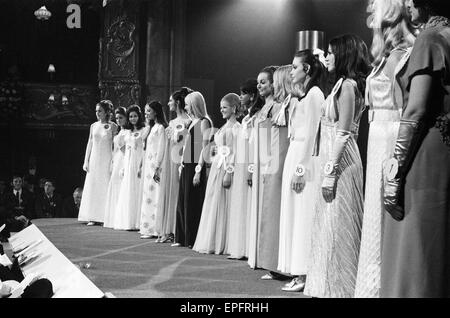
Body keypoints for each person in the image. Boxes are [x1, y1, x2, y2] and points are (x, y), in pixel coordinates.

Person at [381, 0, 450, 298]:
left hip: (424, 148)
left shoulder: (430, 38)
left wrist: (395, 170)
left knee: (414, 237)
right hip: (443, 149)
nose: (406, 5)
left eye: (409, 0)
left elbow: (416, 109)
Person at [355, 0, 416, 298]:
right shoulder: (383, 58)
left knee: (387, 202)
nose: (380, 29)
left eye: (386, 23)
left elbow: (409, 106)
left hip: (392, 131)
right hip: (376, 134)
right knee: (374, 207)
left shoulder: (407, 55)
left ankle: (386, 286)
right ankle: (371, 286)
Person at [304, 34, 370, 298]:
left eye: (331, 53)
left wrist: (331, 174)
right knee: (329, 224)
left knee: (340, 225)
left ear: (343, 55)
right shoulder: (340, 84)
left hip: (342, 162)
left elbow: (344, 133)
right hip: (332, 159)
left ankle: (341, 287)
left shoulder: (349, 87)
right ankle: (328, 283)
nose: (326, 57)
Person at [277, 50, 326, 292]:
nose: (291, 71)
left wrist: (301, 169)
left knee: (303, 215)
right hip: (295, 153)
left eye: (295, 67)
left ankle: (305, 271)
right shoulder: (302, 97)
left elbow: (313, 137)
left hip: (305, 159)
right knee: (294, 213)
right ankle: (296, 269)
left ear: (307, 69)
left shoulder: (315, 94)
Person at [193, 93, 241, 254]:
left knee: (223, 203)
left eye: (225, 107)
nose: (222, 110)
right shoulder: (223, 127)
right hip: (216, 167)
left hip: (226, 168)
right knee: (214, 201)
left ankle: (223, 240)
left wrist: (229, 173)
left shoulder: (236, 128)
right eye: (220, 107)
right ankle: (212, 239)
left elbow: (235, 153)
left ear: (234, 108)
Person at [247, 65, 282, 273]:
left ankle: (269, 259)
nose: (260, 86)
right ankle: (258, 255)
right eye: (258, 82)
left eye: (264, 82)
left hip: (269, 161)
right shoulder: (262, 108)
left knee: (268, 208)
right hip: (258, 160)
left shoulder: (276, 106)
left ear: (273, 84)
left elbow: (273, 140)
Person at [227, 79, 263, 260]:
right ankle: (239, 246)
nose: (241, 97)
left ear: (252, 95)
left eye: (244, 94)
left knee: (248, 204)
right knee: (240, 203)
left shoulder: (255, 118)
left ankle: (249, 248)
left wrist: (250, 169)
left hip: (248, 165)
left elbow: (254, 146)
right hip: (240, 165)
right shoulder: (247, 118)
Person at [173, 91, 213, 248]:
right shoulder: (192, 122)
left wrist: (198, 170)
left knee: (192, 201)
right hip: (187, 164)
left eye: (188, 104)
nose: (186, 107)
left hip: (196, 165)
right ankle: (182, 237)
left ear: (195, 105)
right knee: (183, 200)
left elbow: (205, 148)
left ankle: (192, 238)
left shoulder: (204, 121)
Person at [156, 87, 192, 244]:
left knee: (177, 193)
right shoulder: (171, 122)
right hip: (170, 161)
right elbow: (165, 145)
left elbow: (188, 144)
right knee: (169, 193)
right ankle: (168, 230)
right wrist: (159, 165)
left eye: (171, 100)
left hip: (181, 160)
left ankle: (177, 229)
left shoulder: (189, 121)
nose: (168, 103)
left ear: (177, 102)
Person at [78, 100, 117, 226]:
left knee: (104, 186)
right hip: (94, 160)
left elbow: (114, 146)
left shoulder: (113, 126)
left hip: (106, 159)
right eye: (96, 111)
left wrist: (113, 162)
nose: (97, 113)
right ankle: (92, 216)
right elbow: (89, 143)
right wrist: (86, 160)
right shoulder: (93, 126)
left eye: (100, 111)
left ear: (106, 112)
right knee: (93, 186)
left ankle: (104, 216)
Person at [113, 105, 146, 231]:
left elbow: (145, 148)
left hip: (139, 161)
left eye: (135, 116)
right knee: (128, 189)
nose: (133, 119)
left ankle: (138, 221)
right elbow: (121, 146)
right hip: (128, 161)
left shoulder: (144, 129)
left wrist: (142, 165)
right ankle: (129, 221)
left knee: (138, 188)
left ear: (139, 116)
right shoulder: (126, 132)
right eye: (131, 116)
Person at [140, 101, 168, 239]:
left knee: (155, 195)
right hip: (148, 164)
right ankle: (148, 227)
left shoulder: (161, 128)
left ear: (156, 112)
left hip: (156, 165)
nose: (146, 113)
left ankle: (155, 228)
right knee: (148, 194)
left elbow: (161, 148)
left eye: (148, 111)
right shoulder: (151, 127)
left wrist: (157, 167)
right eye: (145, 111)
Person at [103, 107, 128, 228]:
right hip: (116, 159)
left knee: (121, 187)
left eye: (121, 118)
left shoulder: (128, 132)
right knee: (114, 186)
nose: (118, 120)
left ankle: (121, 218)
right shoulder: (119, 132)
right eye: (117, 118)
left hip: (123, 160)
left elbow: (126, 150)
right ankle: (114, 218)